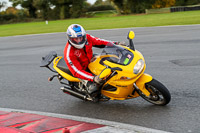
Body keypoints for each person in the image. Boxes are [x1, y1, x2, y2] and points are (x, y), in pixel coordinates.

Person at [64, 24, 124, 94]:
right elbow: (77, 71)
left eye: (81, 38)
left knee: (110, 62)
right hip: (82, 69)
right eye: (76, 39)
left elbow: (100, 41)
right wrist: (93, 78)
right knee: (94, 88)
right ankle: (92, 95)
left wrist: (116, 44)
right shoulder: (69, 53)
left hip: (90, 60)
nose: (79, 41)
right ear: (70, 38)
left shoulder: (87, 37)